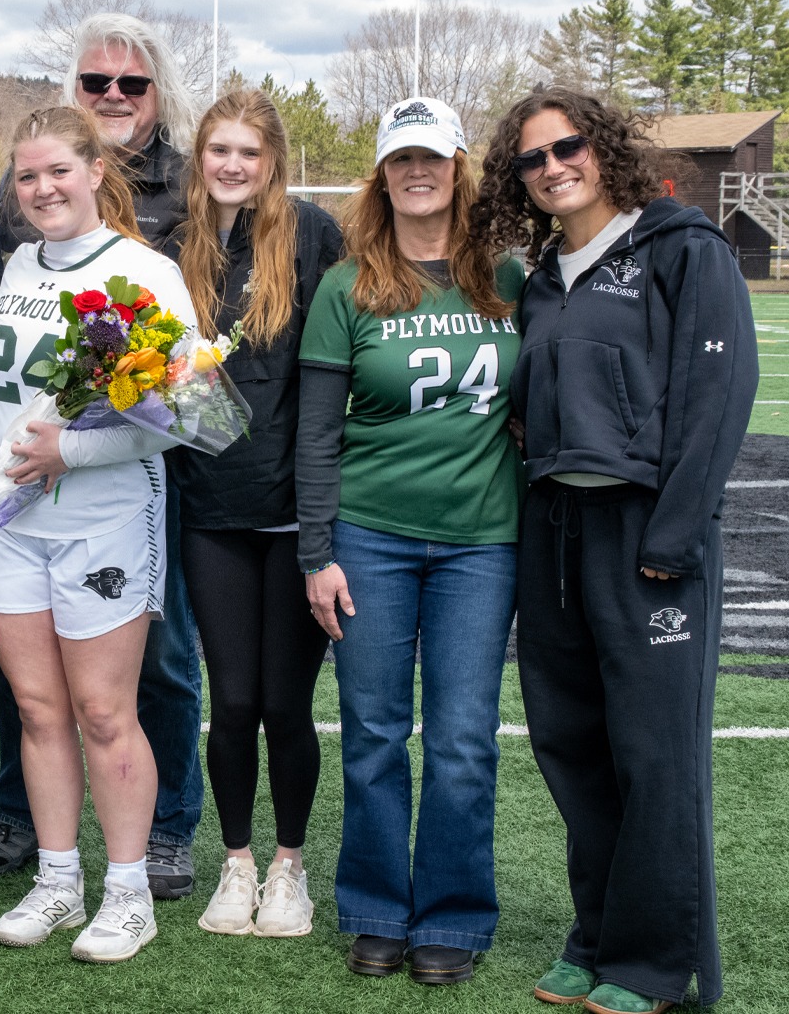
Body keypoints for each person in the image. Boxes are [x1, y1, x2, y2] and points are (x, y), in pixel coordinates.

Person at [475, 85, 757, 1014]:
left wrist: (674, 537)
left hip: (648, 535)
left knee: (653, 755)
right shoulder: (545, 273)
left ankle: (651, 963)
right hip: (554, 532)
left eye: (569, 149)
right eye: (532, 159)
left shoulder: (682, 248)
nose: (553, 168)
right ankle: (594, 937)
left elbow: (715, 402)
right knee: (571, 745)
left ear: (604, 150)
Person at [0, 11, 206, 901]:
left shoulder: (145, 273)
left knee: (106, 712)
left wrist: (77, 447)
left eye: (59, 171)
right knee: (37, 710)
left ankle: (128, 891)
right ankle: (58, 882)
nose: (43, 189)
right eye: (28, 178)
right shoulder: (14, 272)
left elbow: (190, 419)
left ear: (95, 173)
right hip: (11, 528)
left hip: (103, 520)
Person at [297, 98, 525, 985]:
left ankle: (457, 917)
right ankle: (377, 909)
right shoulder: (345, 287)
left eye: (432, 157)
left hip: (481, 544)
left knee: (465, 739)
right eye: (401, 161)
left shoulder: (509, 278)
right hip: (372, 538)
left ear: (458, 167)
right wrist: (317, 553)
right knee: (374, 732)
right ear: (382, 175)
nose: (417, 173)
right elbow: (315, 436)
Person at [160, 90, 343, 937]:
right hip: (212, 510)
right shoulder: (173, 249)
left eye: (249, 152)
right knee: (231, 701)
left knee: (285, 704)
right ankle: (235, 865)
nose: (232, 165)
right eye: (218, 150)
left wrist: (321, 518)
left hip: (296, 512)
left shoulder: (309, 235)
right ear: (200, 157)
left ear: (272, 162)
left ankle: (289, 868)